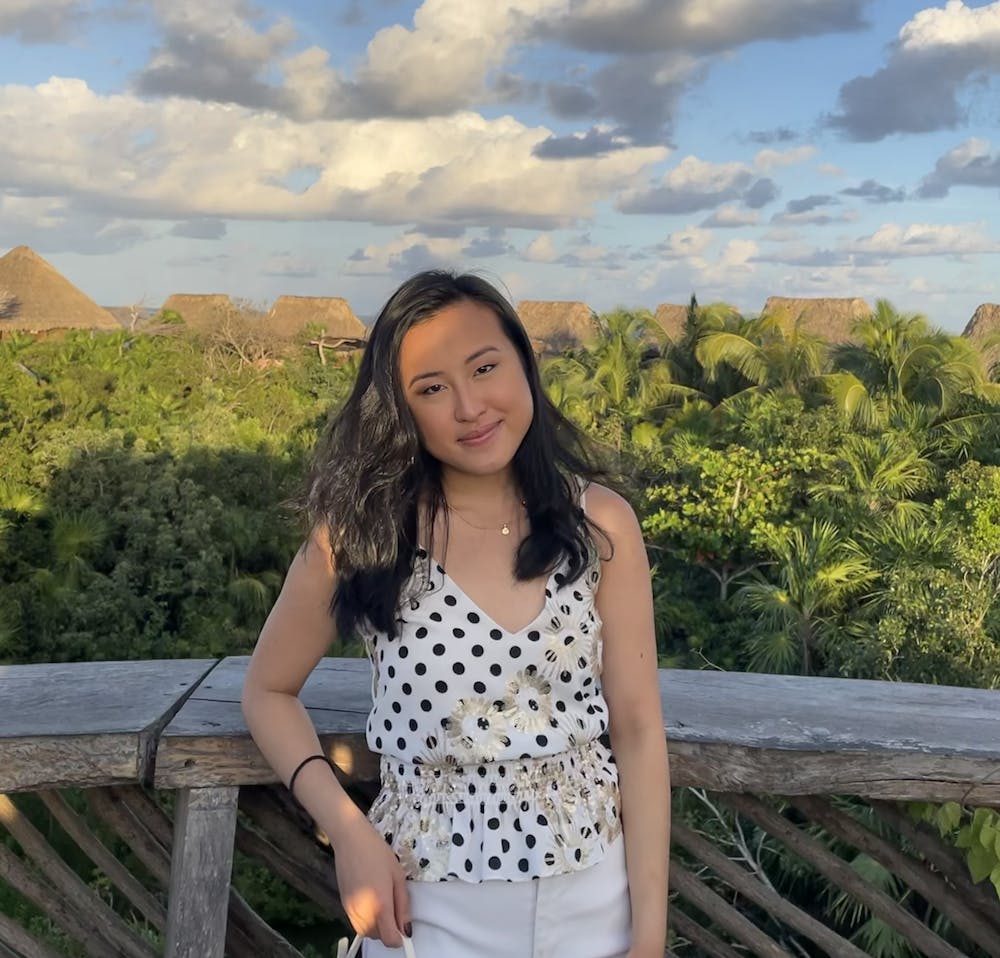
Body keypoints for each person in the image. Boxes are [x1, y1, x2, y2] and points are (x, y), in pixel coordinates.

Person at [242, 271, 670, 957]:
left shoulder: (601, 525)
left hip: (593, 906)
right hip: (424, 909)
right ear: (402, 411)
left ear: (523, 365)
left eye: (485, 368)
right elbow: (266, 691)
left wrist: (649, 936)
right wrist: (347, 830)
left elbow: (641, 729)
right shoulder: (364, 533)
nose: (469, 406)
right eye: (432, 389)